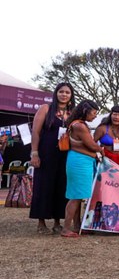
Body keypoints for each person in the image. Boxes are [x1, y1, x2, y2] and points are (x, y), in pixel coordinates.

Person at [29, 82, 75, 234]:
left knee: (62, 186)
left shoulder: (72, 113)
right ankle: (41, 223)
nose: (64, 94)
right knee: (44, 185)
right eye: (61, 91)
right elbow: (35, 132)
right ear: (56, 93)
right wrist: (34, 153)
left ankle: (57, 221)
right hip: (46, 153)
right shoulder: (46, 109)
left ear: (71, 96)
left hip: (65, 154)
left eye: (67, 92)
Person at [62, 99, 102, 238]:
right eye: (94, 113)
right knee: (75, 197)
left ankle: (77, 226)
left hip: (80, 161)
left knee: (78, 196)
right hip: (80, 163)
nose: (95, 116)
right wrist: (101, 150)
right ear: (85, 111)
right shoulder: (80, 126)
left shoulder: (77, 124)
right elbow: (92, 145)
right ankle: (66, 228)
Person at [93, 106, 119, 170]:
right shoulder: (102, 128)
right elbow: (92, 143)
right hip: (106, 159)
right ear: (111, 115)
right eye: (114, 114)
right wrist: (98, 154)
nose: (117, 117)